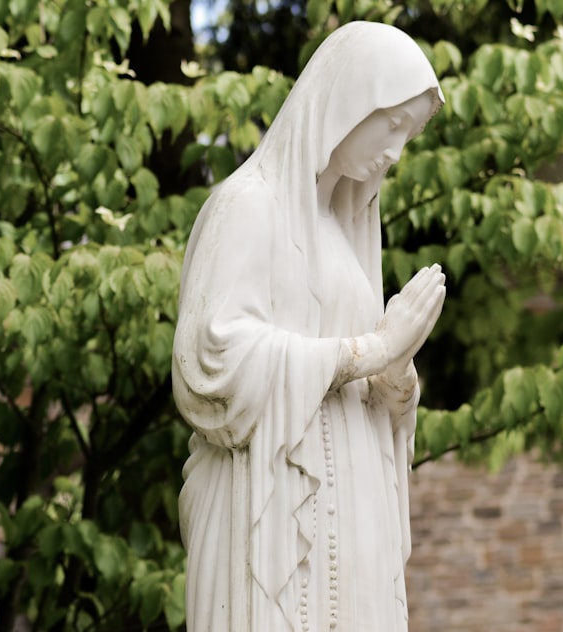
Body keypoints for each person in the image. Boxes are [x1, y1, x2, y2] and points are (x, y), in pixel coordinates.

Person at [172, 21, 446, 632]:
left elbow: (373, 386)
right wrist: (370, 349)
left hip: (352, 507)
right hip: (269, 504)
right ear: (350, 100)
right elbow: (209, 363)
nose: (397, 152)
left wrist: (397, 371)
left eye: (411, 134)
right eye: (394, 124)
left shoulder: (344, 236)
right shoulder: (248, 207)